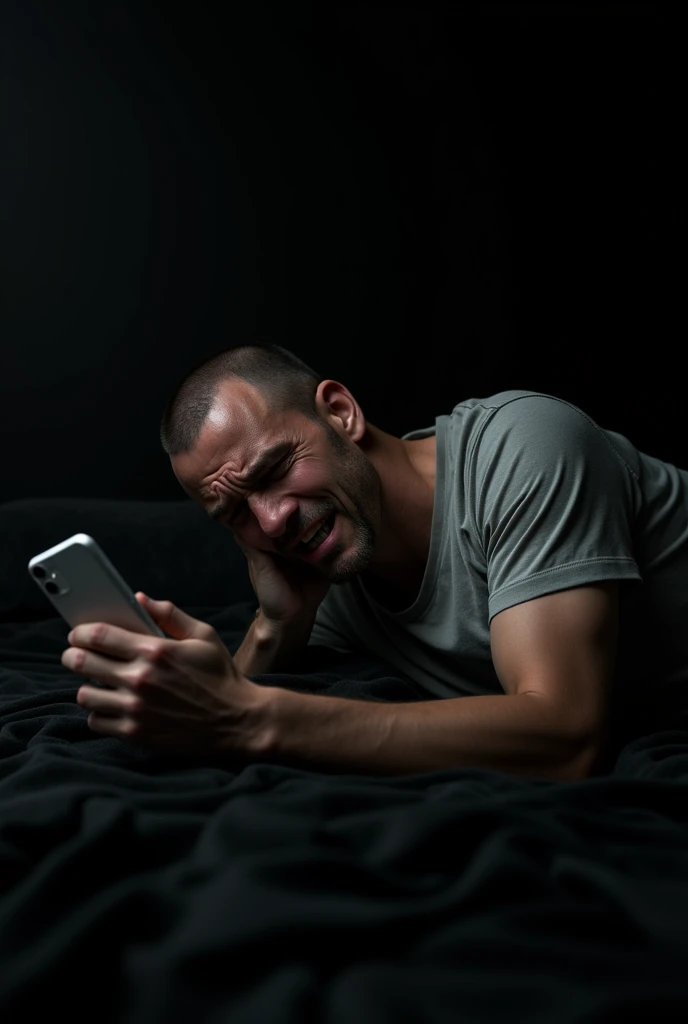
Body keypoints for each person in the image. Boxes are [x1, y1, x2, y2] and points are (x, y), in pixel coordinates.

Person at [62, 343, 688, 779]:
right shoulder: (330, 571)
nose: (272, 520)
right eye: (235, 514)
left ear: (341, 411)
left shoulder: (524, 445)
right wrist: (278, 627)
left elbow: (568, 738)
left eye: (277, 469)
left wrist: (253, 719)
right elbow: (223, 703)